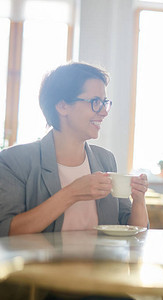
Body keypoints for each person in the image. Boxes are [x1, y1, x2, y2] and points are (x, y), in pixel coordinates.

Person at [0, 62, 149, 236]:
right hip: (41, 264)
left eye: (104, 102)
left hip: (102, 263)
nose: (104, 112)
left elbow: (132, 230)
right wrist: (72, 193)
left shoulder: (105, 159)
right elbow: (6, 230)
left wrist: (139, 200)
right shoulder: (15, 161)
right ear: (62, 106)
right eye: (95, 102)